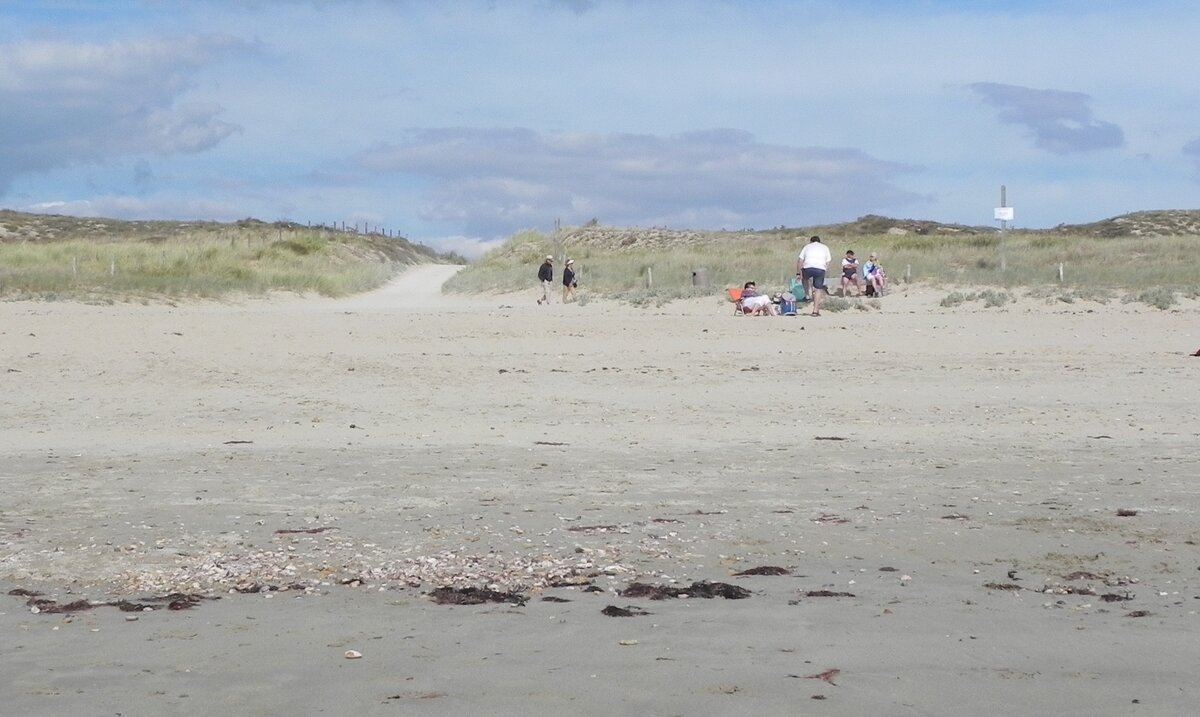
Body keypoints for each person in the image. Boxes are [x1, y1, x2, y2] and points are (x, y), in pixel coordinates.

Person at [796, 235, 831, 316]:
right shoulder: (825, 247)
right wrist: (825, 269)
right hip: (820, 268)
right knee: (818, 289)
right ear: (819, 241)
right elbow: (828, 261)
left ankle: (807, 295)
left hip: (808, 267)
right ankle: (815, 310)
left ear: (811, 241)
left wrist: (798, 273)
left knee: (804, 278)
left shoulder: (807, 247)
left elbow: (800, 260)